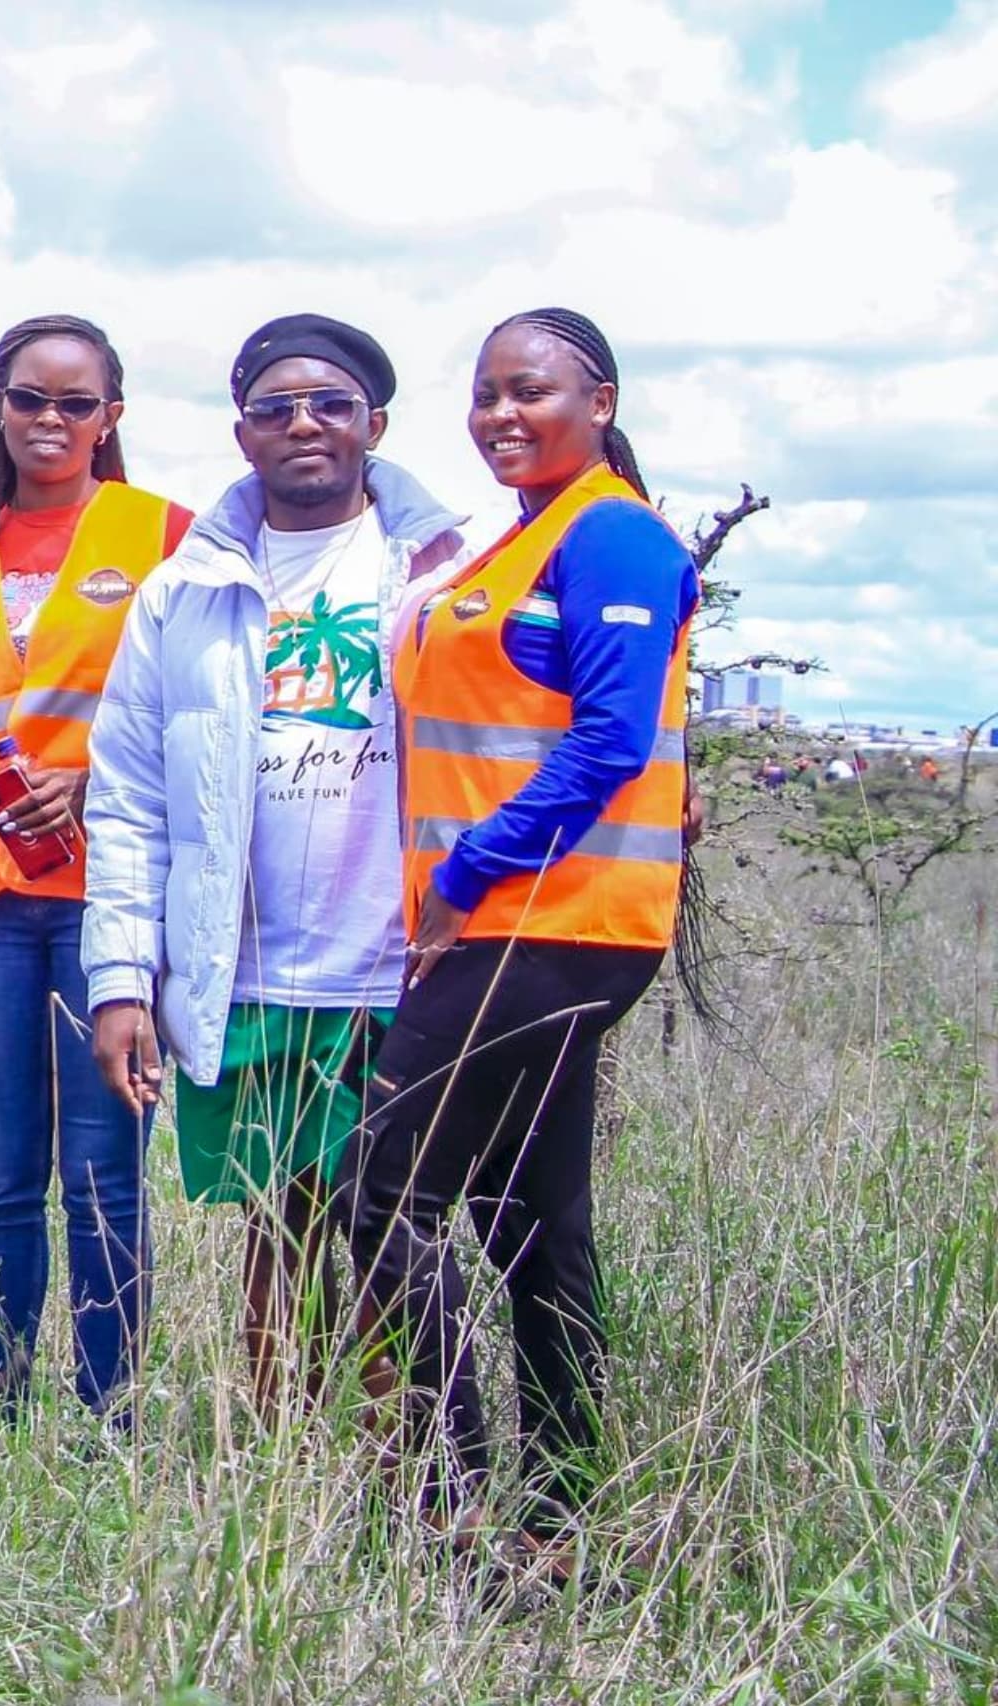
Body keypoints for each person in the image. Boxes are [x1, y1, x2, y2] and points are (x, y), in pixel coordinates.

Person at [347, 308, 697, 1575]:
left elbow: (608, 741)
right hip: (515, 921)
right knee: (529, 1225)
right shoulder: (521, 539)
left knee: (378, 1195)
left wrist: (465, 874)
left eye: (530, 390)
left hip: (550, 921)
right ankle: (559, 1523)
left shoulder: (611, 532)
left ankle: (454, 1504)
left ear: (598, 399)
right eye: (486, 392)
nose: (501, 412)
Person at [86, 315, 470, 1418]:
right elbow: (127, 797)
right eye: (275, 408)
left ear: (374, 426)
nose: (303, 424)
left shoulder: (445, 572)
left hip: (401, 965)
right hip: (246, 965)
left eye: (331, 405)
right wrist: (122, 977)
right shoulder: (182, 590)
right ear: (242, 434)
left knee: (393, 1225)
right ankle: (281, 1458)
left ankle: (400, 1457)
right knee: (276, 1223)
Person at [0, 314, 189, 1423]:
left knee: (103, 1174)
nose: (50, 421)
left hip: (110, 899)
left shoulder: (166, 532)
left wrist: (94, 778)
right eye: (30, 399)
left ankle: (107, 1411)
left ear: (110, 417)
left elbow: (208, 715)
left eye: (76, 404)